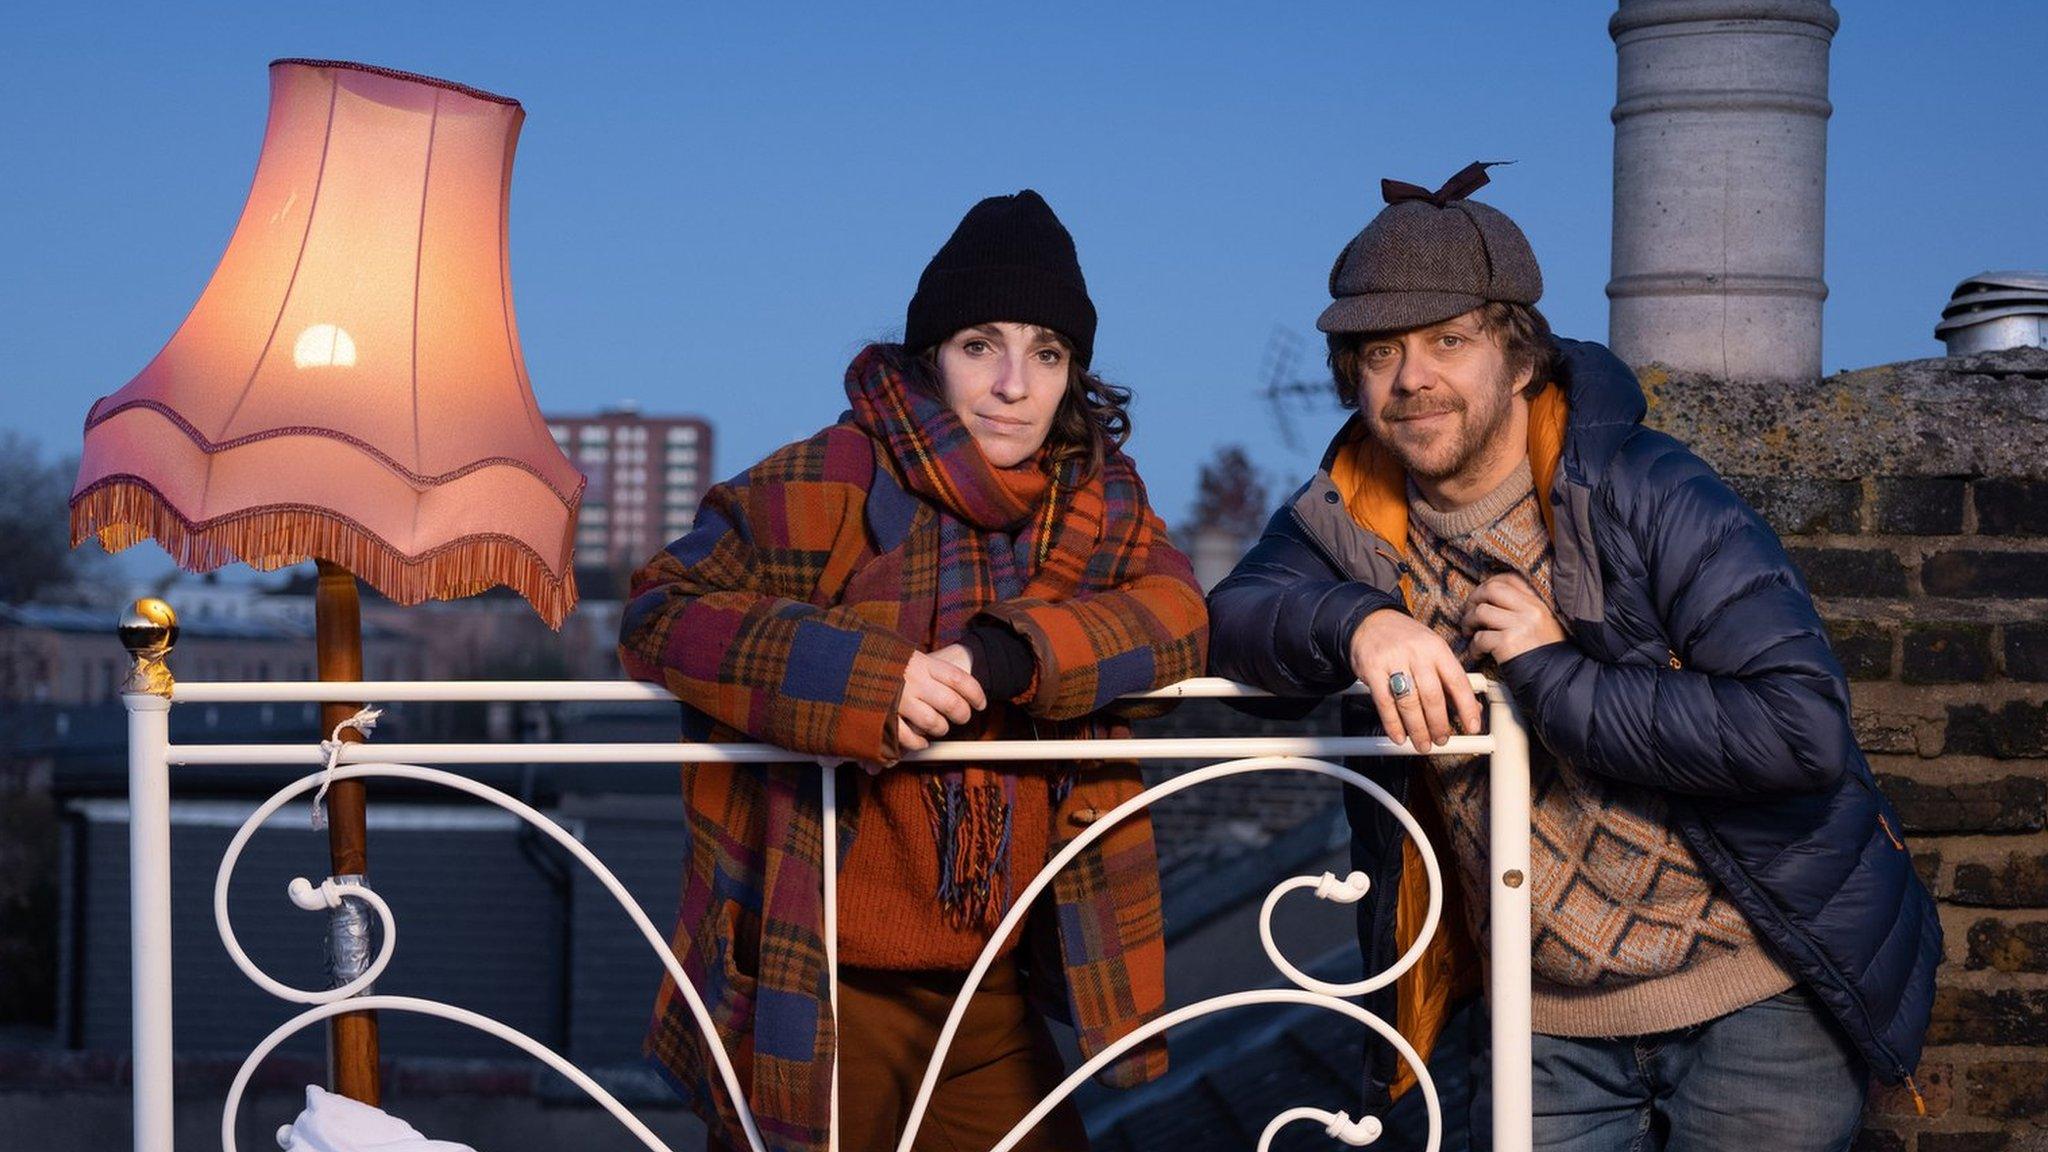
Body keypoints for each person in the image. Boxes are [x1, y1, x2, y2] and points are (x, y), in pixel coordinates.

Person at [1206, 162, 1940, 1150]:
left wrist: (1551, 676)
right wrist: (1357, 625)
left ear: (1514, 358)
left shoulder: (1642, 488)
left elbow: (1796, 730)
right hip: (1537, 1029)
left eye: (1446, 341)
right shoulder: (1347, 518)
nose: (1409, 376)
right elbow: (1232, 622)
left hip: (1749, 999)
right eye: (1378, 351)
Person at [618, 189, 1208, 1152]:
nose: (1014, 384)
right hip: (829, 980)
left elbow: (1180, 619)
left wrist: (1007, 651)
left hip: (994, 985)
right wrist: (864, 681)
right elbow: (660, 612)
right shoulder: (837, 474)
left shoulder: (1096, 502)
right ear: (934, 354)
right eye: (983, 345)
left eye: (1046, 354)